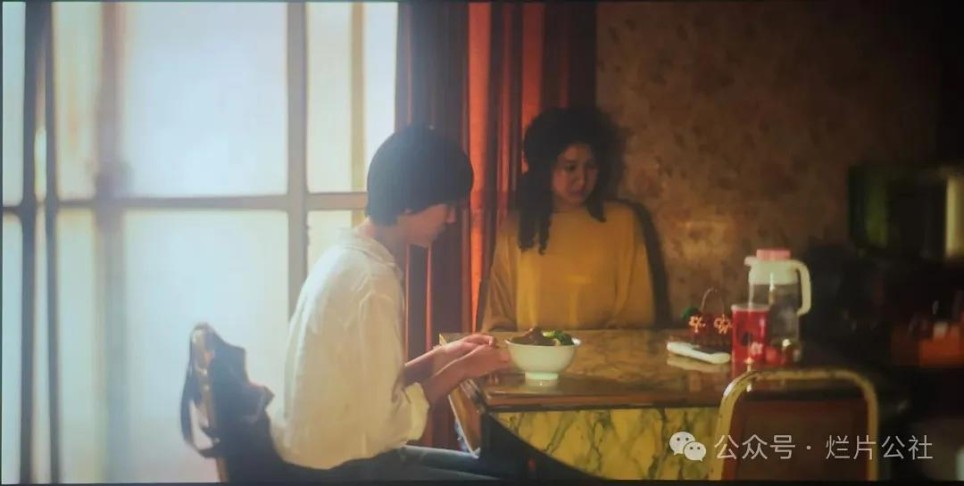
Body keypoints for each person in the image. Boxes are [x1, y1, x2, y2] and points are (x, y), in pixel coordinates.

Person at [269, 125, 519, 481]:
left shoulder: (347, 256)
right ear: (409, 202)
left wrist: (441, 357)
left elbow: (369, 388)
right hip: (337, 470)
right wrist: (462, 370)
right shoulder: (372, 280)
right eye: (447, 205)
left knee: (502, 470)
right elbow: (386, 425)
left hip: (319, 452)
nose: (451, 218)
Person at [481, 106, 656, 332]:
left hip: (605, 354)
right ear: (545, 168)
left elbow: (637, 316)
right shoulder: (516, 228)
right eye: (570, 167)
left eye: (590, 167)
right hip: (531, 353)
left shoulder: (623, 223)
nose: (581, 180)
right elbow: (498, 319)